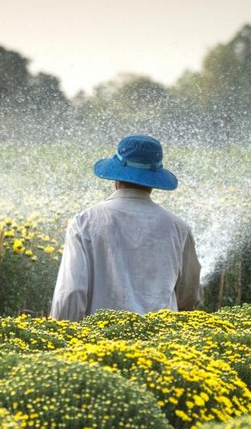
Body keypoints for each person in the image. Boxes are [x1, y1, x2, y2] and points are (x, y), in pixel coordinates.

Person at [48, 133, 202, 321]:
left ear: (116, 178)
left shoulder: (84, 223)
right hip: (161, 343)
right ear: (154, 181)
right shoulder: (179, 229)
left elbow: (71, 293)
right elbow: (189, 296)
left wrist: (64, 336)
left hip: (97, 342)